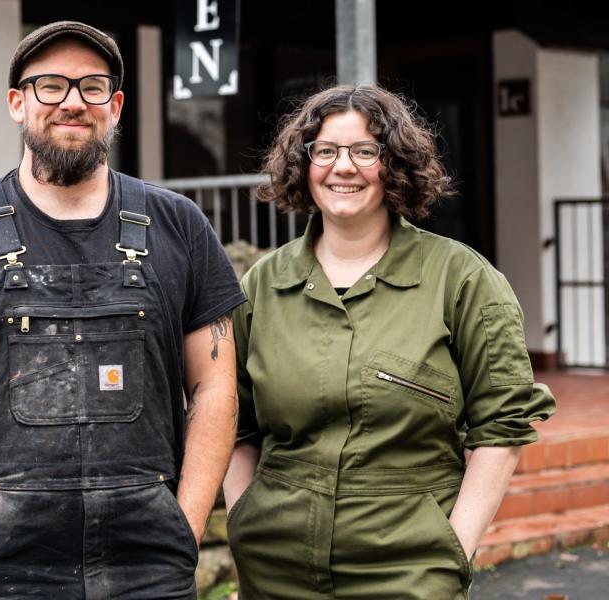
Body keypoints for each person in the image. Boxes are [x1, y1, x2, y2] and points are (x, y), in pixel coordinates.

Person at [0, 21, 246, 600]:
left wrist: (187, 530)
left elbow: (217, 385)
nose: (72, 102)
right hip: (4, 573)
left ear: (116, 105)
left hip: (150, 570)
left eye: (92, 87)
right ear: (17, 103)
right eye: (50, 85)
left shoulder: (179, 225)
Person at [223, 84, 556, 600]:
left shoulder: (460, 279)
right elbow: (233, 421)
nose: (343, 167)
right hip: (275, 568)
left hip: (410, 570)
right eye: (326, 151)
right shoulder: (261, 286)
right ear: (303, 164)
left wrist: (454, 549)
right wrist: (244, 518)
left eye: (365, 151)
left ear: (394, 164)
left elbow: (503, 426)